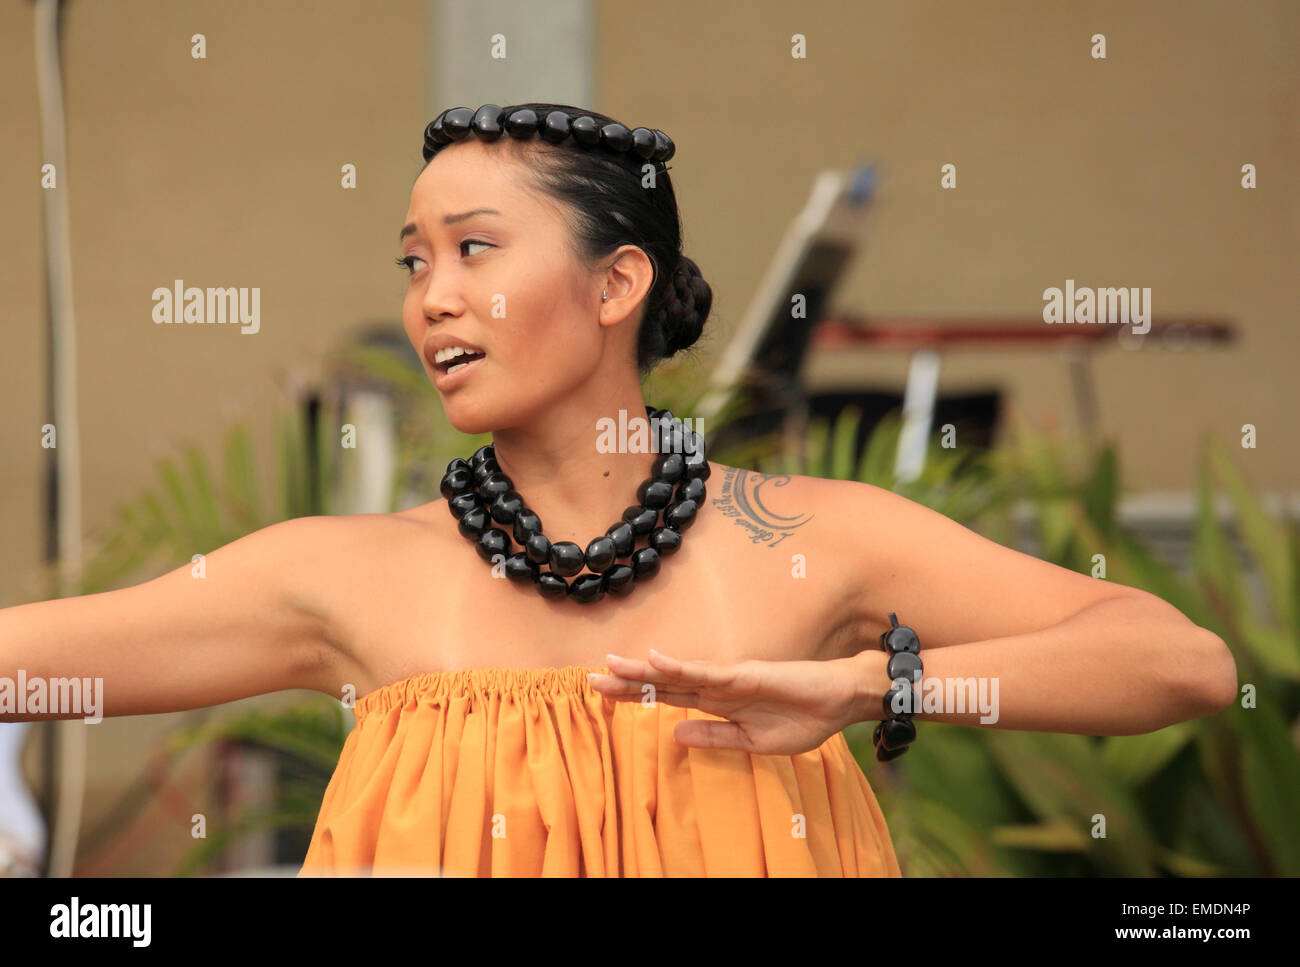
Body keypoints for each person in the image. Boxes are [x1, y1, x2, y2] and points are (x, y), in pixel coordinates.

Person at [0, 103, 1237, 878]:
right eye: (414, 260)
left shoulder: (810, 540)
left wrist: (872, 685)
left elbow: (1172, 659)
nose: (430, 296)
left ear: (614, 285)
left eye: (475, 248)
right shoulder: (336, 576)